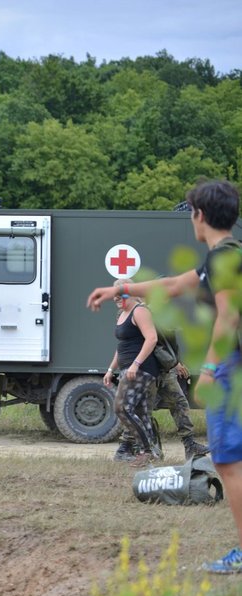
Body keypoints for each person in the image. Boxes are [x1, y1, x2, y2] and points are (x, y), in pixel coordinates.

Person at [87, 179, 242, 575]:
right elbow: (172, 285)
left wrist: (209, 369)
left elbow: (228, 316)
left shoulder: (225, 258)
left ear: (199, 215)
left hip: (232, 367)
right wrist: (119, 287)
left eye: (191, 212)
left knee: (228, 461)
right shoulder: (224, 255)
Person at [113, 331, 209, 462]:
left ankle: (190, 444)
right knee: (141, 411)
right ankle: (126, 447)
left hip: (165, 369)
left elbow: (167, 344)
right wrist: (174, 363)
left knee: (179, 403)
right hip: (149, 367)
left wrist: (175, 362)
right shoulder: (144, 313)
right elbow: (154, 342)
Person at [102, 287, 161, 468]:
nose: (116, 298)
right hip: (128, 367)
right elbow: (122, 346)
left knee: (122, 408)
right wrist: (111, 369)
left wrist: (135, 364)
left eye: (121, 295)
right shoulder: (122, 314)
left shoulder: (140, 311)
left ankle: (145, 451)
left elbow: (152, 338)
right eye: (115, 295)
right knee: (142, 413)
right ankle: (152, 453)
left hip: (142, 368)